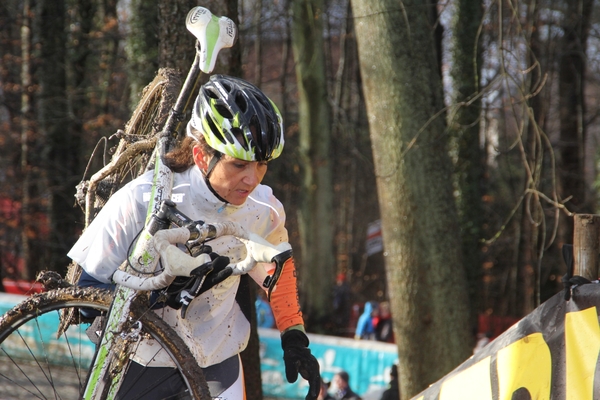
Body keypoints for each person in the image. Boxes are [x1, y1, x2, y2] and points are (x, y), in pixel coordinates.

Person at [68, 75, 320, 399]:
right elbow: (88, 290)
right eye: (239, 164)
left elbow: (276, 273)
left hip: (216, 363)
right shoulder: (142, 199)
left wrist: (294, 336)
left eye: (261, 165)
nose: (252, 178)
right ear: (202, 155)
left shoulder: (264, 209)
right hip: (137, 363)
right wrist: (154, 290)